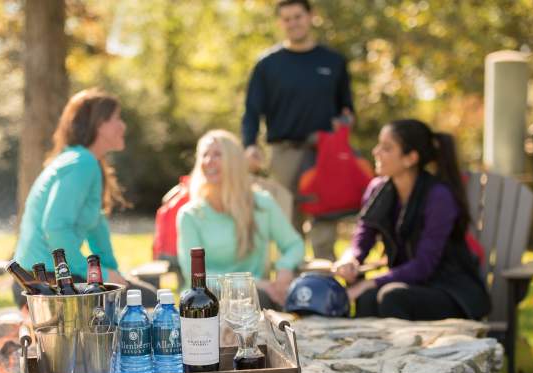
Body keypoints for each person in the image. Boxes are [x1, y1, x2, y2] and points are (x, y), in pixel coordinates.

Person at [334, 119, 491, 320]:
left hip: (451, 291)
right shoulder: (378, 191)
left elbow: (424, 265)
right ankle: (370, 351)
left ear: (410, 158)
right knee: (367, 299)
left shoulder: (438, 197)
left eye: (387, 148)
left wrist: (371, 282)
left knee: (391, 296)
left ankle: (407, 352)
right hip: (409, 285)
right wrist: (351, 260)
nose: (376, 152)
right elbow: (362, 239)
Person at [13, 88, 156, 309]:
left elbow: (96, 228)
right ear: (99, 124)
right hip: (42, 283)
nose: (123, 126)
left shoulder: (85, 161)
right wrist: (88, 271)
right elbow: (55, 228)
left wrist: (111, 271)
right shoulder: (81, 163)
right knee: (148, 302)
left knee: (142, 296)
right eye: (116, 118)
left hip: (53, 277)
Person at [241, 0, 354, 259]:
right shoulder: (267, 65)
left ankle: (325, 287)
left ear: (311, 16)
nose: (293, 23)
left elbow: (347, 110)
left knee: (324, 225)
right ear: (280, 22)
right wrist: (250, 145)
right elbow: (251, 111)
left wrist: (345, 125)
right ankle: (290, 288)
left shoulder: (334, 61)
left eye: (298, 16)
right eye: (287, 18)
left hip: (325, 153)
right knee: (287, 223)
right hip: (284, 152)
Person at [176, 130, 305, 309]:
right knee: (257, 297)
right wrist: (251, 284)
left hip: (254, 300)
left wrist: (285, 267)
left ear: (234, 163)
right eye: (204, 155)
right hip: (204, 303)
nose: (208, 161)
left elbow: (294, 244)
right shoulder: (190, 215)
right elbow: (194, 274)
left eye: (217, 154)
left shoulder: (262, 205)